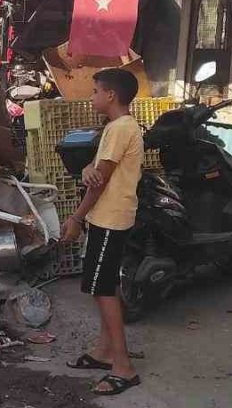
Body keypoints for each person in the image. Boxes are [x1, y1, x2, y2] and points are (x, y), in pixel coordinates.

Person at [61, 67, 143, 397]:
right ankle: (103, 350)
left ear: (110, 95)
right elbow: (95, 172)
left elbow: (100, 179)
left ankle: (123, 366)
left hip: (108, 218)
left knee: (102, 289)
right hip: (109, 215)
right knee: (106, 284)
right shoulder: (116, 128)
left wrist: (77, 218)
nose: (92, 96)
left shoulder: (121, 128)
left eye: (95, 91)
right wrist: (86, 168)